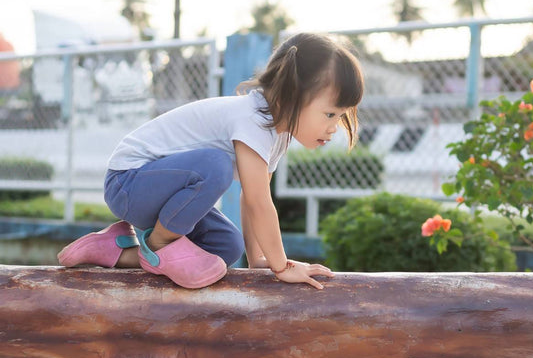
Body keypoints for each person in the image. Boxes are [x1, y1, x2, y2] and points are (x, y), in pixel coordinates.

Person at [57, 33, 364, 290]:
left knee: (226, 246)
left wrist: (259, 260)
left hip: (157, 195)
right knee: (216, 166)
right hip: (128, 182)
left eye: (340, 116)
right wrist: (282, 267)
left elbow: (250, 198)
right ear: (292, 96)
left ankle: (113, 249)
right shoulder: (252, 120)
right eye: (329, 114)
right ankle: (160, 245)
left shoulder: (277, 132)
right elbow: (258, 203)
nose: (334, 127)